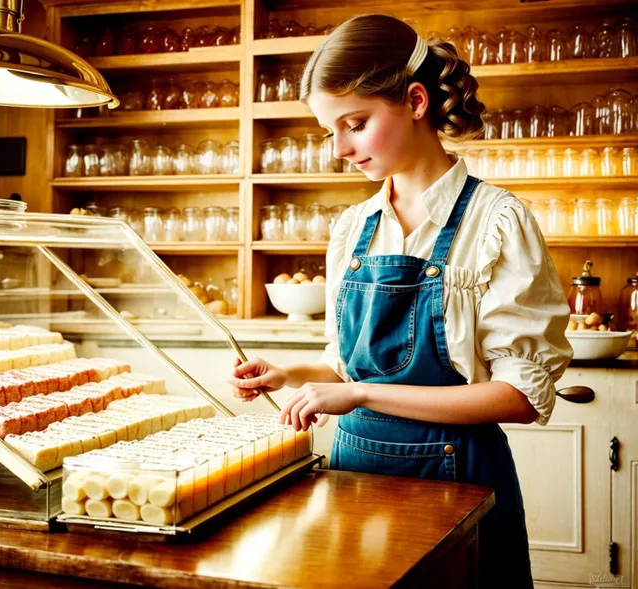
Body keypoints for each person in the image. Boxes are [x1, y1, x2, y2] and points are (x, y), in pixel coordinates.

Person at [228, 14, 572, 589]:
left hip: (459, 484)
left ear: (415, 101)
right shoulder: (352, 228)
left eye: (355, 124)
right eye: (328, 131)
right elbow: (346, 364)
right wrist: (290, 373)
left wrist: (358, 392)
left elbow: (519, 397)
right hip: (352, 478)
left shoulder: (496, 222)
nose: (339, 149)